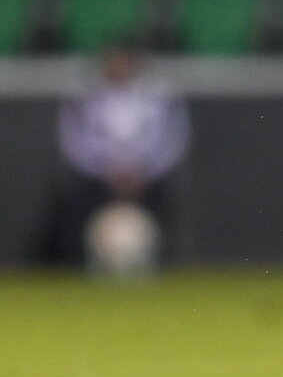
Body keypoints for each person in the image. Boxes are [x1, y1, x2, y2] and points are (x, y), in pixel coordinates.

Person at [40, 40, 191, 270]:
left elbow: (172, 138)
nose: (119, 67)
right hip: (97, 178)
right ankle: (82, 266)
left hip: (147, 179)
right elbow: (73, 140)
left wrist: (144, 169)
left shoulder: (157, 96)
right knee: (74, 206)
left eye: (124, 62)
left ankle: (165, 265)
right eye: (114, 62)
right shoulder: (85, 97)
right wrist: (105, 169)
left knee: (171, 204)